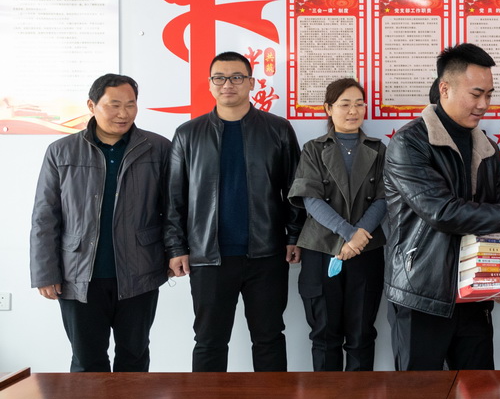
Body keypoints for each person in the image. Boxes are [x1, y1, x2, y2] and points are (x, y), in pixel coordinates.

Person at [383, 43, 500, 371]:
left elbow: (489, 220)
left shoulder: (487, 147)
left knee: (479, 394)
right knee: (417, 395)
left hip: (474, 296)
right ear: (445, 89)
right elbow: (443, 212)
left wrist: (497, 281)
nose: (484, 104)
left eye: (489, 94)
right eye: (476, 94)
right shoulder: (409, 143)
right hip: (423, 294)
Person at [165, 51, 303, 372]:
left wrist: (294, 235)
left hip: (266, 254)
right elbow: (173, 199)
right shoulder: (188, 134)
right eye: (220, 78)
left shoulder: (278, 130)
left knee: (269, 338)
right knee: (209, 341)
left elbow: (295, 190)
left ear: (251, 83)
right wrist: (175, 247)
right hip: (208, 256)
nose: (228, 84)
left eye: (237, 77)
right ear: (210, 84)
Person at [30, 74, 171, 372]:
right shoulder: (61, 150)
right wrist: (45, 272)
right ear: (91, 105)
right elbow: (45, 216)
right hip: (78, 274)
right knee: (87, 361)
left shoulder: (158, 148)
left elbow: (172, 209)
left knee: (134, 358)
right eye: (114, 105)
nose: (123, 113)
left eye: (130, 105)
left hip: (140, 272)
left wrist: (175, 252)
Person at [288, 78, 386, 371]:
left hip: (366, 251)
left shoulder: (379, 149)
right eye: (345, 104)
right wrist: (349, 234)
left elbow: (384, 199)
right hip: (321, 249)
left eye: (359, 104)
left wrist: (358, 239)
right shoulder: (313, 149)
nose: (353, 111)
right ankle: (326, 398)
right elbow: (311, 199)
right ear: (329, 109)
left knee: (362, 335)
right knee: (324, 335)